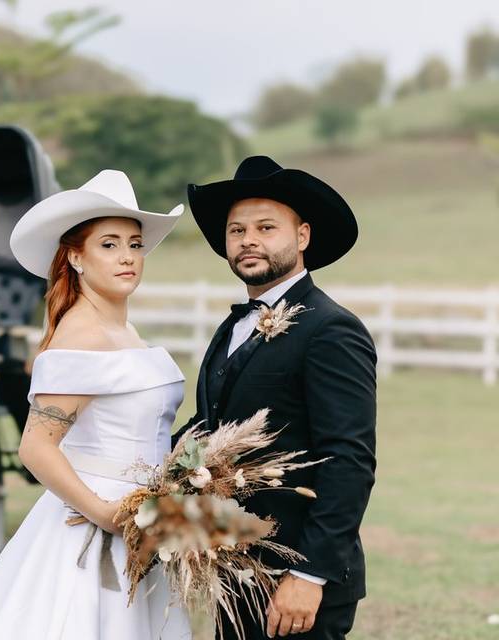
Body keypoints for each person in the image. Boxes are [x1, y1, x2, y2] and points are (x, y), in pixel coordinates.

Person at [0, 170, 192, 639]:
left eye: (135, 245)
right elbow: (36, 447)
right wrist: (106, 515)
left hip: (147, 520)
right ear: (75, 256)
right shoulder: (81, 333)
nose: (127, 257)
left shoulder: (126, 332)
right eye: (109, 244)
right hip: (97, 523)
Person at [175, 155, 377, 639]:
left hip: (298, 577)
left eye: (266, 227)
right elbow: (210, 425)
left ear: (302, 236)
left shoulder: (331, 329)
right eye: (236, 230)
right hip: (236, 566)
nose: (248, 239)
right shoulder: (232, 327)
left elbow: (349, 460)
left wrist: (308, 576)